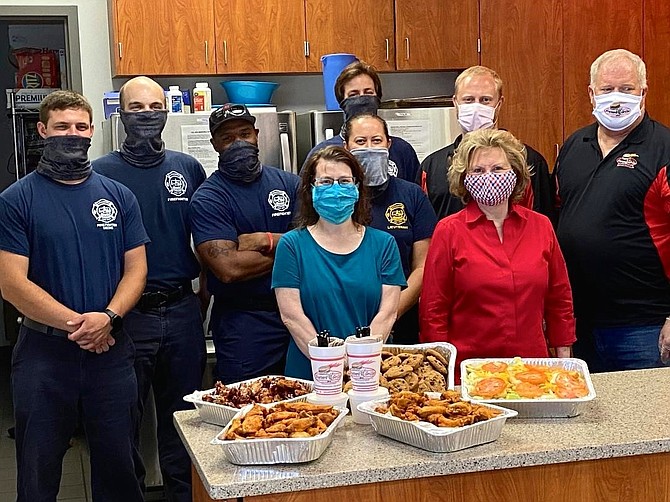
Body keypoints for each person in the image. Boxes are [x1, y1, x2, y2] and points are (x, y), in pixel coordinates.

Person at [0, 90, 149, 501]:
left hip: (112, 350)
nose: (72, 135)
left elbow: (136, 270)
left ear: (91, 132)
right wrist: (82, 326)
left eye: (80, 127)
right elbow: (12, 283)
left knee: (120, 465)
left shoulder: (118, 197)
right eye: (62, 127)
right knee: (38, 467)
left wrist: (108, 319)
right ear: (42, 131)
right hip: (45, 356)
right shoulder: (16, 200)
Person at [93, 76, 206, 502]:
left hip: (181, 311)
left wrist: (203, 296)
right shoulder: (100, 174)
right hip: (127, 318)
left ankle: (184, 496)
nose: (146, 114)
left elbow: (205, 238)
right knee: (120, 425)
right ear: (120, 114)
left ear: (167, 111)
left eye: (155, 105)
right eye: (136, 106)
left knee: (185, 422)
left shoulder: (187, 168)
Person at [419, 128, 575, 377]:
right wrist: (441, 370)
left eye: (498, 169)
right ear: (464, 179)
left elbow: (559, 298)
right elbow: (433, 311)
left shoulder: (541, 226)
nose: (488, 177)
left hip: (533, 369)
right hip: (469, 371)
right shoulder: (448, 231)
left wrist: (564, 355)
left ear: (515, 173)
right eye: (478, 171)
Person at [555, 49, 670, 371]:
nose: (616, 98)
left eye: (627, 89)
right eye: (607, 90)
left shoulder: (665, 148)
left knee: (646, 419)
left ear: (644, 92)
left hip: (644, 325)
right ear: (591, 93)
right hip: (579, 323)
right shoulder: (574, 146)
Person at [273, 145, 407, 379]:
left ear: (357, 188)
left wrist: (358, 358)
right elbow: (292, 316)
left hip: (370, 371)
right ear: (311, 189)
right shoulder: (292, 245)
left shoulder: (384, 244)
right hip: (310, 374)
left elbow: (387, 314)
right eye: (325, 182)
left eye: (344, 181)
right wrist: (330, 360)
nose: (336, 190)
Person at [190, 103, 300, 383]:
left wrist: (266, 240)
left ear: (257, 134)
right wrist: (296, 249)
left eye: (244, 134)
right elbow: (229, 268)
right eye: (228, 138)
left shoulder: (291, 184)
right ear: (215, 144)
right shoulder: (209, 198)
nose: (238, 143)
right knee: (246, 411)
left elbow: (320, 243)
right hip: (245, 323)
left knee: (308, 405)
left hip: (302, 314)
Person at [342, 114, 437, 344]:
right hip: (347, 315)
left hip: (403, 316)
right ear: (346, 147)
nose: (369, 148)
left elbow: (423, 266)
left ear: (389, 144)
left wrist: (391, 312)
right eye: (360, 142)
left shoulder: (412, 195)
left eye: (376, 141)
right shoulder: (337, 198)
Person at [419, 65, 555, 222]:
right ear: (455, 103)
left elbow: (541, 226)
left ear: (499, 103)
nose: (476, 107)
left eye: (485, 100)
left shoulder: (528, 161)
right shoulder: (431, 166)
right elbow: (425, 232)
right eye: (468, 100)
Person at [302, 60, 421, 184]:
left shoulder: (402, 150)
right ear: (342, 102)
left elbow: (416, 195)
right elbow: (304, 197)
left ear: (378, 98)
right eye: (354, 94)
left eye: (368, 93)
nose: (362, 99)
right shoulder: (323, 152)